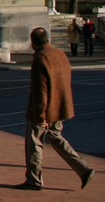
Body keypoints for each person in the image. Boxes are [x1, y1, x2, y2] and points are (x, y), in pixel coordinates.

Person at [18, 27, 95, 191]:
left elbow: (41, 91)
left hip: (44, 111)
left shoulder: (40, 58)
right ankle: (83, 168)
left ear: (33, 42)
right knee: (56, 137)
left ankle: (34, 180)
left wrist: (40, 116)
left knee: (34, 143)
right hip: (59, 107)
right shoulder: (59, 54)